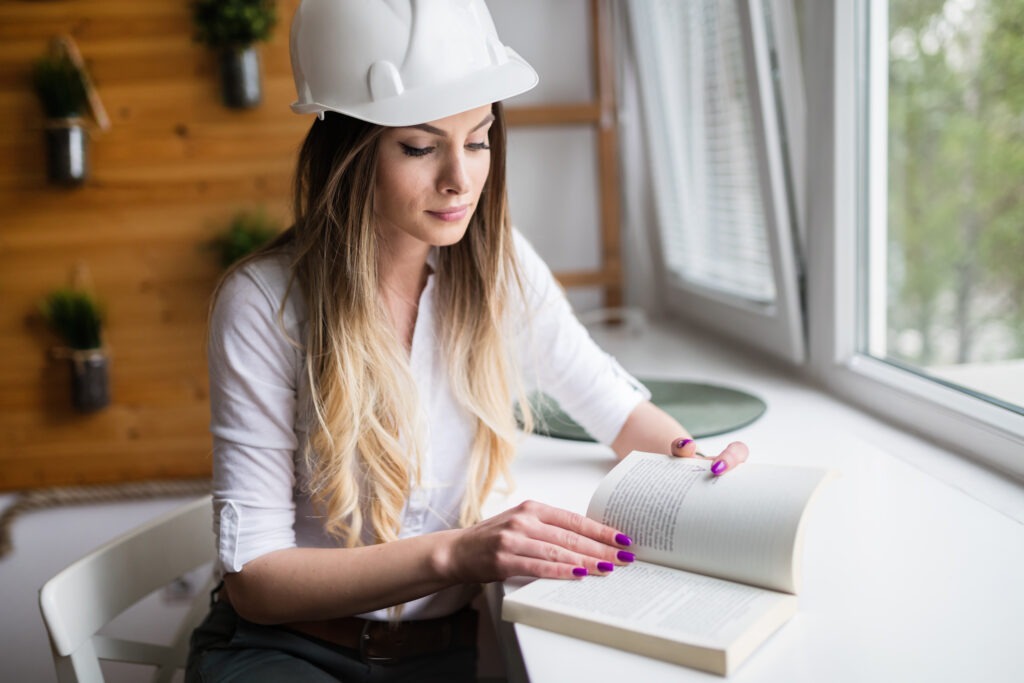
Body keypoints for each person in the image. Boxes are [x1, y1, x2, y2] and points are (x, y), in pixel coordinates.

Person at [186, 1, 749, 681]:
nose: (460, 178)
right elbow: (256, 580)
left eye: (479, 139)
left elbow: (615, 406)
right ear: (349, 150)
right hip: (286, 651)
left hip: (439, 659)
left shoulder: (498, 268)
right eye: (421, 147)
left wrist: (700, 469)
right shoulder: (263, 305)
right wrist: (456, 554)